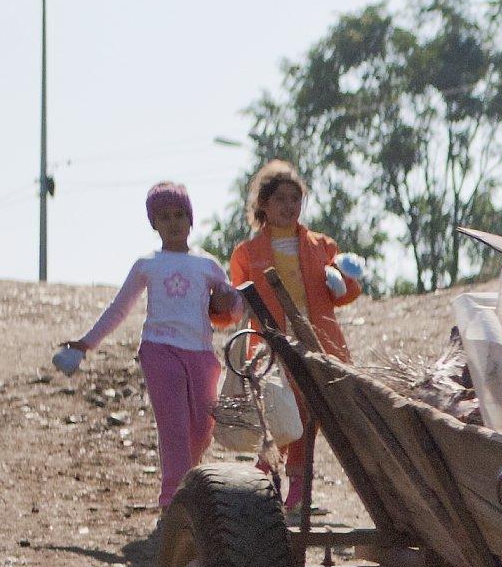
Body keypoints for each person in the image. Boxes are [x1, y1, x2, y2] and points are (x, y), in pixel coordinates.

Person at [55, 181, 241, 511]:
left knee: (201, 428)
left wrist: (229, 300)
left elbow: (232, 309)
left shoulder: (208, 266)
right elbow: (119, 308)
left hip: (200, 353)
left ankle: (190, 485)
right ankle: (173, 503)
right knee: (174, 428)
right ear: (153, 223)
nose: (173, 223)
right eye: (164, 216)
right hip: (160, 350)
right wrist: (86, 343)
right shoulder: (148, 265)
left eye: (180, 215)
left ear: (191, 219)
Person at [225, 158, 362, 518]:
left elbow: (345, 294)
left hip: (314, 345)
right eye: (281, 198)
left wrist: (343, 281)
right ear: (264, 205)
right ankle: (265, 480)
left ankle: (296, 492)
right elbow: (236, 303)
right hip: (270, 347)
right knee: (277, 414)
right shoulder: (246, 252)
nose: (289, 206)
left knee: (306, 417)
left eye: (295, 198)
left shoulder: (322, 246)